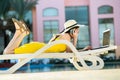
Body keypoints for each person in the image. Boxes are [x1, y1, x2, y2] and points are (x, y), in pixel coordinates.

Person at [3, 19, 90, 54]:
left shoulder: (63, 36)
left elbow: (71, 52)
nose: (78, 32)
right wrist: (75, 38)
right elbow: (71, 53)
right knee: (7, 52)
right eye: (77, 30)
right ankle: (22, 33)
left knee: (6, 52)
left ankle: (19, 32)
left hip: (38, 47)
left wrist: (83, 50)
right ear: (73, 30)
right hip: (36, 48)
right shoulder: (66, 36)